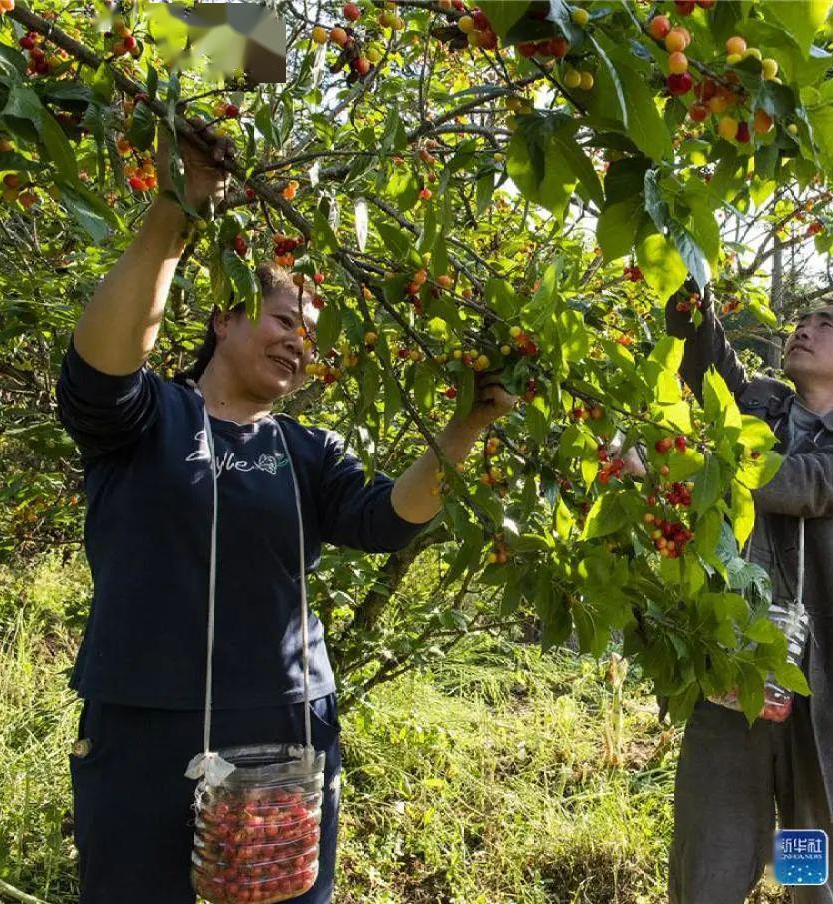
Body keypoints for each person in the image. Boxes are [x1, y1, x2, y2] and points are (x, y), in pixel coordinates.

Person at [56, 118, 517, 904]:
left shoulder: (308, 449)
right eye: (284, 321)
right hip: (144, 723)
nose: (301, 344)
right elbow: (100, 370)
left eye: (312, 337)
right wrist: (179, 208)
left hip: (286, 730)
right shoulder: (147, 418)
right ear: (225, 319)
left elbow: (386, 521)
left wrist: (469, 421)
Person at [626, 280, 833, 903]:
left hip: (824, 699)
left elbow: (805, 484)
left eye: (825, 322)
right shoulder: (755, 404)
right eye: (801, 318)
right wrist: (689, 276)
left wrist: (681, 466)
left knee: (813, 878)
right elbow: (705, 354)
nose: (803, 328)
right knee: (708, 867)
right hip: (733, 678)